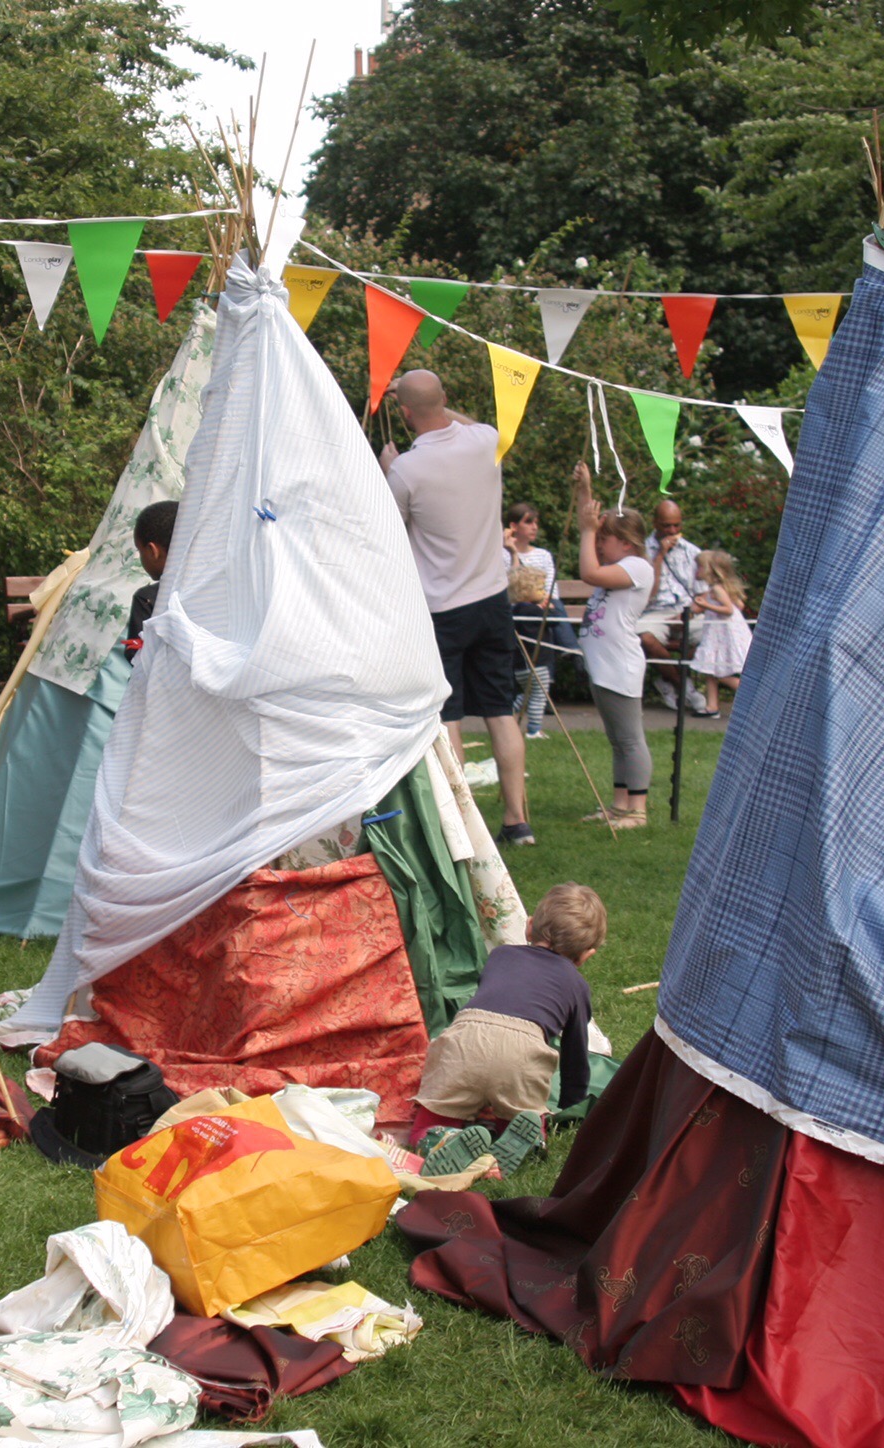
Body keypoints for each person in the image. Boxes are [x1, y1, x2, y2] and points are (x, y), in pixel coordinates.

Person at [380, 369, 532, 846]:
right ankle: (516, 821)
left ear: (403, 413)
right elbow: (465, 423)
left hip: (442, 607)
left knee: (448, 720)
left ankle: (461, 829)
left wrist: (387, 464)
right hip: (492, 600)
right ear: (445, 399)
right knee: (500, 712)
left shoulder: (405, 469)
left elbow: (391, 533)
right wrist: (432, 404)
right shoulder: (485, 440)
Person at [412, 882, 603, 1180]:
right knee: (518, 1109)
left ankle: (438, 1137)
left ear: (529, 928)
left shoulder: (500, 956)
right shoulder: (577, 986)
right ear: (587, 955)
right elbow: (575, 1057)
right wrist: (568, 1105)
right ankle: (526, 1138)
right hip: (522, 1053)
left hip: (465, 1038)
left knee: (432, 1114)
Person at [573, 464, 656, 828]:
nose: (598, 544)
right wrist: (585, 490)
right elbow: (588, 524)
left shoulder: (637, 566)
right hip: (604, 666)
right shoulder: (623, 564)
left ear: (626, 542)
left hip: (619, 665)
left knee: (630, 739)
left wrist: (588, 531)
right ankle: (620, 804)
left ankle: (637, 809)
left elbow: (588, 573)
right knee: (618, 740)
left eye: (604, 539)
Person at [504, 501, 574, 740]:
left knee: (537, 688)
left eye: (536, 522)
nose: (534, 527)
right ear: (513, 526)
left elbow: (551, 587)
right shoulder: (502, 555)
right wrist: (512, 552)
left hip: (541, 611)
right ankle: (532, 729)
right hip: (519, 616)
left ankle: (567, 646)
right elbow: (511, 589)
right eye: (528, 522)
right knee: (536, 689)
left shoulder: (543, 555)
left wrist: (545, 600)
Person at [640, 498, 715, 717]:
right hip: (654, 612)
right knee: (645, 638)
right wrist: (660, 556)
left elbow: (702, 595)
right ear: (655, 523)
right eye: (666, 525)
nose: (672, 530)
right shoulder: (642, 551)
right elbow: (647, 593)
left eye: (676, 525)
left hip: (686, 611)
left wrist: (688, 613)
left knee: (715, 635)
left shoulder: (692, 552)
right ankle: (684, 686)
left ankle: (667, 677)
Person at [689, 550, 752, 717]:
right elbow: (739, 605)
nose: (697, 571)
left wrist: (707, 605)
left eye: (700, 567)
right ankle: (712, 706)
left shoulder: (717, 589)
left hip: (723, 634)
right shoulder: (716, 589)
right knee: (710, 669)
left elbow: (729, 610)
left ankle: (755, 695)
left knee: (722, 673)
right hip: (717, 633)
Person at [123, 500, 176, 657]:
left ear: (153, 551)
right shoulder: (215, 588)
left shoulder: (147, 599)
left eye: (140, 550)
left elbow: (137, 658)